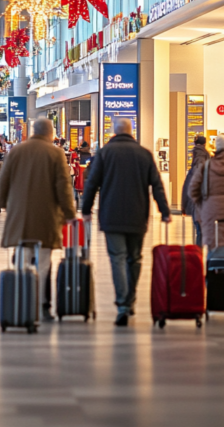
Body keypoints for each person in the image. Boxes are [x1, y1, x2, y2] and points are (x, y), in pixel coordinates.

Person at [81, 118, 171, 327]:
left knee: (117, 258)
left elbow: (92, 183)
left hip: (111, 215)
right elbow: (156, 185)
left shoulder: (105, 154)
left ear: (114, 132)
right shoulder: (144, 154)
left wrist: (85, 210)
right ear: (132, 132)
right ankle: (130, 298)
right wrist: (164, 211)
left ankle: (123, 303)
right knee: (135, 258)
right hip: (137, 214)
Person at [0, 119, 76, 320]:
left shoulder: (16, 151)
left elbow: (2, 181)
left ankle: (21, 301)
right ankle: (41, 305)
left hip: (20, 215)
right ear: (50, 134)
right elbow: (63, 187)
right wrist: (69, 214)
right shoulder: (56, 153)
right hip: (47, 216)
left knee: (23, 257)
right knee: (43, 262)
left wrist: (4, 204)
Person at [180, 136, 211, 245]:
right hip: (206, 203)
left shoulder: (197, 163)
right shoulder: (207, 160)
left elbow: (188, 187)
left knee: (200, 231)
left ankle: (199, 254)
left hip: (198, 202)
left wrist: (184, 205)